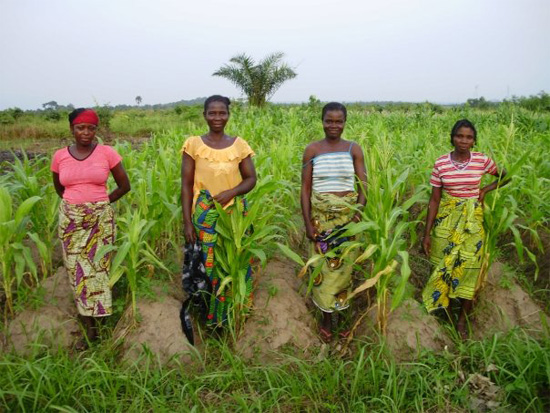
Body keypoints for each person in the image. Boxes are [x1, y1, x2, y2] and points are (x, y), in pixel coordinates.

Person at [52, 108, 130, 350]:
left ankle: (103, 323)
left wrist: (101, 203)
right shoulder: (60, 156)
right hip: (71, 222)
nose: (86, 133)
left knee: (98, 269)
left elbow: (124, 185)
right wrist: (77, 207)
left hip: (100, 221)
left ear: (97, 130)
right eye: (80, 128)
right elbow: (59, 188)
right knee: (77, 271)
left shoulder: (107, 153)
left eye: (91, 128)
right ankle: (89, 328)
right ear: (72, 129)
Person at [422, 119, 507, 339]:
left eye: (469, 137)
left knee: (470, 267)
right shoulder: (441, 163)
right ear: (452, 137)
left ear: (473, 140)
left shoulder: (481, 161)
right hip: (446, 221)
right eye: (460, 136)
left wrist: (485, 190)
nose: (464, 141)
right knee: (444, 266)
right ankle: (448, 313)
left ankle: (462, 320)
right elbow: (434, 200)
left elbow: (505, 175)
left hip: (472, 223)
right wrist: (427, 233)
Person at [181, 95, 256, 328]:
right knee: (208, 265)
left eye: (222, 113)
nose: (217, 117)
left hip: (233, 217)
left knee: (234, 263)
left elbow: (251, 179)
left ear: (228, 115)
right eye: (212, 113)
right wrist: (187, 222)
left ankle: (234, 312)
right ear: (204, 115)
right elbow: (186, 184)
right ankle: (211, 315)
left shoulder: (239, 145)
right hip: (205, 216)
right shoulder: (193, 144)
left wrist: (231, 192)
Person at [301, 102, 367, 343]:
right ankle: (326, 320)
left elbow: (363, 187)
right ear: (322, 121)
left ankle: (343, 317)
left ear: (345, 122)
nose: (334, 125)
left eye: (338, 121)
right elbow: (306, 188)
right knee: (323, 271)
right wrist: (308, 223)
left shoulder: (353, 149)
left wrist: (355, 219)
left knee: (344, 271)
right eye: (329, 120)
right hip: (321, 221)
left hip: (347, 220)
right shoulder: (312, 150)